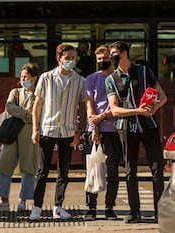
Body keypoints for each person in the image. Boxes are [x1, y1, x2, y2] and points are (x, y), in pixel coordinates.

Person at [105, 40, 167, 223]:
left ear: (124, 54)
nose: (112, 58)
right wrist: (137, 111)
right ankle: (134, 211)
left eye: (114, 54)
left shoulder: (144, 71)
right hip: (126, 128)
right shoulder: (111, 79)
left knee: (157, 167)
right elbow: (114, 110)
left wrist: (154, 108)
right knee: (130, 170)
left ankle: (160, 211)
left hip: (149, 126)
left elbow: (161, 95)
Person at [30, 43, 86, 220]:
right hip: (48, 129)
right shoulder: (46, 78)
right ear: (58, 58)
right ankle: (37, 207)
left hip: (68, 131)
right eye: (67, 58)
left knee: (64, 171)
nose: (70, 61)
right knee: (42, 171)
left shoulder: (80, 81)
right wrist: (35, 129)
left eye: (72, 58)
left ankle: (58, 207)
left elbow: (82, 107)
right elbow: (37, 106)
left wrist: (79, 131)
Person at [0, 63, 39, 212]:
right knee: (4, 165)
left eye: (26, 77)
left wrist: (23, 114)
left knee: (28, 167)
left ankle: (24, 201)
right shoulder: (15, 92)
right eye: (21, 76)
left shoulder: (39, 94)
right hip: (12, 133)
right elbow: (9, 107)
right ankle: (3, 200)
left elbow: (38, 115)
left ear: (34, 78)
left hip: (28, 134)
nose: (22, 79)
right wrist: (27, 114)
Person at [82, 45, 123, 221]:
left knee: (112, 171)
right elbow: (89, 104)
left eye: (105, 58)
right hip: (95, 130)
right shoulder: (90, 79)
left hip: (114, 129)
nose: (102, 61)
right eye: (99, 59)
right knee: (92, 169)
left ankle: (109, 207)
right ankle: (91, 208)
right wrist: (94, 128)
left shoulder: (119, 78)